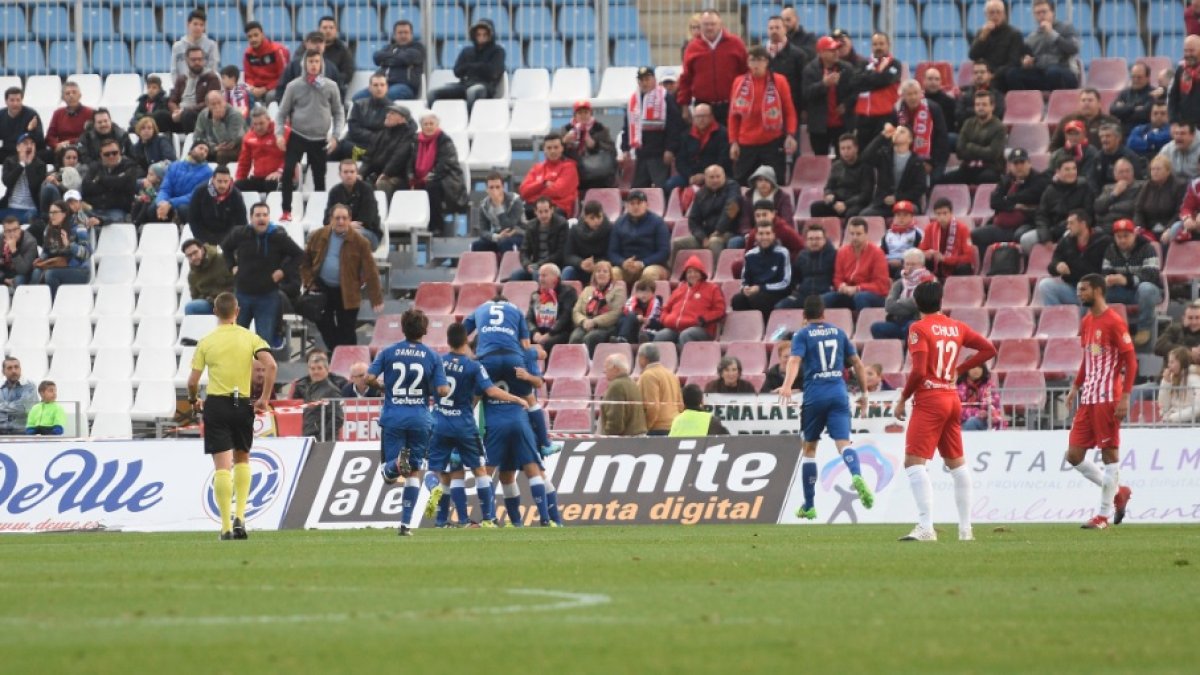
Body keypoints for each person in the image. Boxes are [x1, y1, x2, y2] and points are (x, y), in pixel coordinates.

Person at [893, 281, 997, 541]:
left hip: (930, 399)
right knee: (957, 464)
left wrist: (903, 397)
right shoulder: (956, 326)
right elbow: (989, 349)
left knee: (914, 463)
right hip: (951, 398)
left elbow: (919, 370)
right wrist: (959, 370)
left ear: (916, 303)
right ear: (941, 301)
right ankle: (965, 530)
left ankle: (926, 527)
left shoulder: (918, 328)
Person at [187, 292, 277, 540]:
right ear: (237, 311)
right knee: (243, 459)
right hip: (241, 402)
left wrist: (193, 400)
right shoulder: (250, 337)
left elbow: (192, 382)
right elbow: (271, 365)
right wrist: (264, 398)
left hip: (217, 404)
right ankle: (241, 518)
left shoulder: (206, 342)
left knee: (222, 467)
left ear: (215, 312)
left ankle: (225, 527)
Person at [776, 294, 874, 520]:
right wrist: (864, 394)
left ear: (804, 315)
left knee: (809, 449)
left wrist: (787, 385)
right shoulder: (838, 332)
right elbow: (858, 364)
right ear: (823, 313)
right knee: (844, 443)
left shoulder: (802, 334)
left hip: (815, 396)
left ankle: (809, 505)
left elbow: (794, 360)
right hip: (839, 394)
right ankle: (856, 474)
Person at [429, 322, 528, 528]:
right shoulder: (473, 366)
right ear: (465, 341)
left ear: (448, 341)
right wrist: (517, 399)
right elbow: (491, 391)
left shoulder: (438, 362)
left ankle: (442, 521)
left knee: (445, 473)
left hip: (440, 423)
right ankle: (489, 518)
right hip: (464, 425)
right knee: (479, 470)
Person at [364, 309, 449, 536]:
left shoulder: (388, 352)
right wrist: (429, 389)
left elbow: (368, 378)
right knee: (414, 471)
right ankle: (405, 525)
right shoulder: (432, 356)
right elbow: (442, 390)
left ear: (402, 328)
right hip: (420, 419)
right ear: (425, 330)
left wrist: (383, 387)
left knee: (389, 475)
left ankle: (395, 464)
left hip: (394, 417)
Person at [1063, 274, 1137, 529]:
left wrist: (1125, 395)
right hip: (1088, 397)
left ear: (1097, 290)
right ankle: (1119, 492)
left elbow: (1131, 361)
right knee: (1073, 455)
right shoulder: (1087, 321)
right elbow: (1088, 358)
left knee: (1109, 454)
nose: (1079, 293)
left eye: (1083, 289)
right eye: (1078, 289)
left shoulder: (1114, 322)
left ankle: (1103, 516)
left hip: (1108, 397)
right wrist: (1075, 387)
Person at [301, 204, 384, 351]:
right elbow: (305, 261)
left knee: (347, 330)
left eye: (344, 218)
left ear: (350, 220)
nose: (341, 221)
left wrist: (376, 298)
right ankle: (337, 352)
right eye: (337, 218)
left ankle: (347, 358)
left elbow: (371, 270)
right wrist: (308, 281)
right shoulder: (317, 236)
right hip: (322, 287)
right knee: (322, 321)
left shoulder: (360, 242)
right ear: (330, 219)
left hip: (348, 290)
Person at [276, 49, 344, 221]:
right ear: (304, 64)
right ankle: (286, 211)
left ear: (321, 64)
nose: (314, 65)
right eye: (310, 61)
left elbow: (338, 112)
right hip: (297, 135)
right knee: (288, 171)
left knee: (319, 177)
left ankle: (320, 214)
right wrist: (279, 135)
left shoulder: (331, 86)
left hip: (320, 138)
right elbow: (281, 113)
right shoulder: (293, 86)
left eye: (316, 61)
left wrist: (336, 136)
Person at [222, 202, 303, 345]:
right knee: (236, 340)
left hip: (267, 297)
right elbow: (226, 248)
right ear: (251, 218)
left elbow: (299, 255)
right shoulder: (240, 233)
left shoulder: (278, 236)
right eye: (258, 215)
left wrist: (283, 271)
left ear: (269, 217)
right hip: (242, 295)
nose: (261, 218)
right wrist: (232, 266)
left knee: (263, 343)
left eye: (265, 215)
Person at [728, 46, 798, 185]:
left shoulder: (779, 81)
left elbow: (789, 111)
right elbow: (733, 116)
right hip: (746, 142)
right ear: (747, 63)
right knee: (742, 183)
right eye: (752, 60)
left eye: (760, 60)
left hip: (772, 141)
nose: (756, 64)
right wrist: (733, 141)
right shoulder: (738, 83)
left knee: (776, 182)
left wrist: (790, 134)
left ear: (766, 62)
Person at [677, 9, 749, 123]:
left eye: (713, 24)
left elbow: (746, 73)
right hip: (703, 107)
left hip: (731, 105)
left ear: (720, 24)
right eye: (706, 24)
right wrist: (684, 105)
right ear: (700, 25)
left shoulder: (736, 43)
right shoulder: (692, 47)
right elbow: (686, 78)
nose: (709, 28)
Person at [971, 149, 1050, 251]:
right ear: (1010, 166)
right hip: (1004, 224)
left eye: (1022, 162)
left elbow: (1027, 196)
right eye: (1015, 163)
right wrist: (1015, 206)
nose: (1019, 166)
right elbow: (994, 202)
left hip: (1028, 223)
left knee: (1019, 235)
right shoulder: (1006, 179)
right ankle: (987, 260)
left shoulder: (1039, 180)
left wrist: (1007, 199)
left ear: (1029, 163)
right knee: (976, 234)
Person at [1103, 219, 1163, 347]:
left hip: (1149, 292)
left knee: (1146, 288)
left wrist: (1126, 280)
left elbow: (1152, 275)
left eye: (1126, 236)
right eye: (1119, 237)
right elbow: (1106, 271)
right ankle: (1107, 330)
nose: (1122, 240)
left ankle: (1144, 329)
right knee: (1097, 291)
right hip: (1123, 292)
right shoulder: (1110, 250)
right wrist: (1109, 279)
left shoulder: (1147, 248)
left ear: (1134, 234)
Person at [622, 67, 683, 189]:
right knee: (638, 189)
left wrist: (670, 148)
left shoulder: (665, 97)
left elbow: (674, 125)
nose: (644, 83)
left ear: (654, 80)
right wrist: (625, 148)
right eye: (641, 80)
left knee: (661, 189)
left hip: (659, 153)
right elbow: (628, 125)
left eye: (647, 79)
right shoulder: (634, 100)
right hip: (641, 153)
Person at [427, 19, 505, 112]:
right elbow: (457, 71)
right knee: (433, 93)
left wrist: (471, 67)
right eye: (478, 34)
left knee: (472, 92)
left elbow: (493, 72)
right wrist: (479, 67)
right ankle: (433, 118)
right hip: (464, 84)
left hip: (485, 86)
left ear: (490, 35)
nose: (481, 37)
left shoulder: (498, 51)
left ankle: (469, 119)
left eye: (485, 34)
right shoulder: (467, 51)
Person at [408, 112, 467, 235]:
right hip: (421, 178)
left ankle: (436, 227)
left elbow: (446, 164)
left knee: (431, 186)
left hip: (447, 179)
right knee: (404, 185)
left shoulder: (444, 140)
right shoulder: (415, 140)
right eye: (426, 124)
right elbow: (409, 161)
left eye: (431, 124)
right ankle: (409, 228)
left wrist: (431, 175)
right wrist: (410, 176)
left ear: (437, 125)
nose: (429, 127)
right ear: (421, 126)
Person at [1036, 209, 1110, 307]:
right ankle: (1057, 315)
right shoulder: (1065, 241)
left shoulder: (1103, 241)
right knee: (1045, 285)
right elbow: (1052, 265)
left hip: (1094, 291)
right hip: (1072, 289)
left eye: (1071, 223)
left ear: (1083, 224)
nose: (1068, 227)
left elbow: (1107, 270)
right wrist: (1057, 266)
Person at [1004, 0, 1081, 91]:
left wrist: (1052, 34)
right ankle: (1029, 99)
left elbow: (1074, 48)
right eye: (1037, 13)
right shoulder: (1032, 37)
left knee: (1053, 72)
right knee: (1012, 74)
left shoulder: (1066, 28)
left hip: (1064, 72)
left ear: (1052, 12)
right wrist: (1026, 62)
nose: (1041, 15)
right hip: (1043, 75)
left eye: (1044, 12)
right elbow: (1028, 58)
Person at [654, 255, 726, 347]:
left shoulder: (712, 289)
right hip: (675, 328)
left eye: (696, 271)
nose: (692, 275)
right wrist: (665, 319)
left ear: (701, 273)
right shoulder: (678, 290)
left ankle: (686, 357)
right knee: (661, 336)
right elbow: (666, 309)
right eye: (689, 272)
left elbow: (720, 310)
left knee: (686, 334)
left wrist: (704, 318)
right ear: (685, 275)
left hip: (701, 329)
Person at [676, 164, 741, 262]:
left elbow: (732, 208)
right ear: (705, 179)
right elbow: (693, 220)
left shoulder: (733, 187)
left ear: (724, 176)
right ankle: (670, 270)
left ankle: (716, 270)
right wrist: (702, 237)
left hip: (728, 232)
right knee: (677, 243)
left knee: (714, 242)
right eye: (711, 177)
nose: (715, 180)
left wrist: (718, 231)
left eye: (718, 176)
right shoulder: (701, 194)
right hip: (706, 235)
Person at [1027, 156, 1093, 252]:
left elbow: (1087, 213)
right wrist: (1045, 237)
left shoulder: (1084, 187)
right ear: (1058, 172)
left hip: (1075, 228)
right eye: (1067, 169)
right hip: (1052, 230)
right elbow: (1041, 216)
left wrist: (1064, 227)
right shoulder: (1050, 190)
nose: (1072, 172)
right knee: (1026, 240)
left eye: (1074, 169)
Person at [941, 90, 1006, 186]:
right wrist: (983, 150)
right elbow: (960, 151)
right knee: (941, 179)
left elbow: (993, 154)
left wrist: (971, 146)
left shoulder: (999, 127)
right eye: (977, 105)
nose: (980, 107)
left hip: (990, 168)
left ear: (992, 106)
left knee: (986, 178)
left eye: (984, 104)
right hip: (968, 168)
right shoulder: (968, 123)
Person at [860, 124, 927, 217]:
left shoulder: (917, 162)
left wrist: (897, 198)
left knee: (903, 213)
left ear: (910, 139)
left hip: (908, 203)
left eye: (902, 132)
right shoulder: (884, 155)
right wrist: (882, 136)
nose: (897, 133)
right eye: (896, 131)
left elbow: (920, 187)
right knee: (864, 215)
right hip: (883, 204)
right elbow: (865, 157)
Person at [824, 217, 889, 311]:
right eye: (852, 234)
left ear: (866, 234)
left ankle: (866, 321)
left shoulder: (877, 253)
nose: (854, 237)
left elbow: (881, 285)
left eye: (858, 234)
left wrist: (858, 288)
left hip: (873, 295)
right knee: (826, 299)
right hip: (849, 293)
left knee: (860, 297)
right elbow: (837, 278)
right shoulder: (842, 252)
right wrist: (841, 286)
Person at [732, 217, 791, 318]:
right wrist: (745, 289)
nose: (764, 237)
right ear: (756, 236)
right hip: (755, 293)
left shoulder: (783, 253)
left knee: (757, 299)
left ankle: (765, 325)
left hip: (776, 293)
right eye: (761, 234)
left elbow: (785, 283)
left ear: (773, 235)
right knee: (737, 300)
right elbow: (745, 281)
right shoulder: (750, 255)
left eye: (768, 233)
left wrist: (761, 288)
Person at [890, 79, 950, 178]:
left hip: (933, 158)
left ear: (921, 93)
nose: (913, 97)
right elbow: (892, 139)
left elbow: (941, 139)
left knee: (935, 178)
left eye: (916, 93)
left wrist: (931, 163)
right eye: (909, 94)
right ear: (903, 96)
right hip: (904, 158)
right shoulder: (896, 111)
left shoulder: (933, 108)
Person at [30, 199, 91, 297]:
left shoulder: (79, 228)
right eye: (50, 212)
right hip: (58, 265)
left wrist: (70, 245)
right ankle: (36, 302)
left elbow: (87, 254)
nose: (51, 215)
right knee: (36, 272)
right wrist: (41, 259)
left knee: (51, 274)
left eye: (55, 212)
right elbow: (46, 251)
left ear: (64, 214)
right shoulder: (48, 229)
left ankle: (53, 303)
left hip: (79, 269)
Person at [872, 249, 936, 340]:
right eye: (907, 264)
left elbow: (919, 304)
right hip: (898, 321)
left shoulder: (930, 281)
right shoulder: (899, 283)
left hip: (918, 321)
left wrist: (899, 302)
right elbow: (889, 305)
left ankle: (909, 348)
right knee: (876, 328)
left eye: (913, 264)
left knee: (911, 326)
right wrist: (909, 306)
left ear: (922, 265)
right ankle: (893, 348)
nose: (909, 267)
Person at [608, 188, 670, 283]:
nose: (635, 207)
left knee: (649, 273)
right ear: (627, 206)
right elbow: (612, 252)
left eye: (639, 203)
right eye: (632, 203)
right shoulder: (619, 223)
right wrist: (623, 262)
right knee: (612, 273)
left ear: (647, 205)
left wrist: (643, 263)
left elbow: (664, 252)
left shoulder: (658, 222)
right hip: (626, 266)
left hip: (653, 265)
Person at [668, 103, 732, 194]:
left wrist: (705, 175)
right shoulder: (685, 135)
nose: (701, 119)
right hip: (691, 175)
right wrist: (690, 176)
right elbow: (680, 161)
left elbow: (724, 159)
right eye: (698, 117)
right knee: (670, 185)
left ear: (711, 117)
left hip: (715, 175)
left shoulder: (723, 133)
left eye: (704, 116)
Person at [852, 33, 903, 144]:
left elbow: (884, 80)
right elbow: (855, 83)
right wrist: (877, 77)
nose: (878, 47)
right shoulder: (863, 63)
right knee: (863, 151)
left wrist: (867, 78)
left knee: (883, 151)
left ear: (888, 45)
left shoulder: (894, 64)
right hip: (863, 118)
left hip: (885, 117)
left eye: (881, 44)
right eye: (875, 44)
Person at [158, 48, 222, 134]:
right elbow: (172, 100)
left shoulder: (211, 78)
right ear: (187, 60)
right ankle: (166, 140)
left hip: (199, 116)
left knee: (188, 114)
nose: (197, 62)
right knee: (160, 115)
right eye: (193, 60)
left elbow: (210, 103)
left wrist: (184, 111)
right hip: (181, 115)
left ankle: (194, 140)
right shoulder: (182, 78)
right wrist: (175, 111)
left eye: (200, 59)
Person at [776, 222, 837, 310]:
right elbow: (795, 276)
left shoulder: (834, 255)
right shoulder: (802, 255)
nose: (814, 242)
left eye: (818, 239)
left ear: (824, 240)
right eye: (811, 239)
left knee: (816, 306)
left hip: (825, 294)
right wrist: (797, 286)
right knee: (780, 307)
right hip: (804, 294)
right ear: (806, 241)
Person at [811, 133, 873, 218]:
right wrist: (829, 195)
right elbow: (828, 187)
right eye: (842, 148)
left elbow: (865, 195)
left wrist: (846, 204)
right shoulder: (836, 165)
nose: (845, 151)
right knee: (815, 208)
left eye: (848, 148)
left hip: (855, 204)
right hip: (837, 203)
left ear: (856, 148)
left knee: (851, 214)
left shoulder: (866, 167)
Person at [563, 100, 618, 194]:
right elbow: (558, 151)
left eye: (586, 112)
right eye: (580, 113)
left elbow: (612, 150)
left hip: (598, 173)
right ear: (575, 115)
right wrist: (564, 142)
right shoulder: (567, 130)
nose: (583, 115)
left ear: (590, 114)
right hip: (575, 172)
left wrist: (595, 145)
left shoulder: (600, 128)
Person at [324, 160, 382, 250]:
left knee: (351, 235)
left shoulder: (367, 190)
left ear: (357, 173)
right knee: (314, 235)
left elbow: (367, 219)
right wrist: (347, 225)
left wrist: (342, 225)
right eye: (345, 172)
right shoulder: (334, 192)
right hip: (339, 232)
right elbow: (327, 219)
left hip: (368, 233)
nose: (349, 175)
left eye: (352, 172)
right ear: (340, 174)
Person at [519, 133, 579, 218]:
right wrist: (543, 183)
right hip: (534, 207)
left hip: (558, 208)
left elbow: (558, 191)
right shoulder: (537, 168)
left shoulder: (569, 167)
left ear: (562, 148)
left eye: (556, 147)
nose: (552, 151)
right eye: (549, 148)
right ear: (544, 149)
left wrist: (534, 194)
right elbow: (523, 191)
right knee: (519, 212)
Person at [570, 260, 624, 353]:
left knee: (591, 338)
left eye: (605, 271)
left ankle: (591, 361)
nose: (601, 274)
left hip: (605, 326)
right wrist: (583, 321)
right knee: (575, 338)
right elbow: (576, 311)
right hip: (585, 323)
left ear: (610, 275)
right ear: (594, 275)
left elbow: (616, 313)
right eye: (598, 271)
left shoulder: (618, 290)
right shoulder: (587, 290)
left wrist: (594, 322)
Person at [363, 104, 417, 198]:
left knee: (383, 184)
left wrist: (385, 173)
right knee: (356, 182)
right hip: (379, 174)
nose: (387, 115)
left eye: (392, 113)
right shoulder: (381, 134)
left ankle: (384, 207)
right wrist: (361, 173)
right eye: (388, 112)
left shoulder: (409, 135)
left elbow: (398, 157)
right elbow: (368, 157)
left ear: (402, 119)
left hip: (399, 177)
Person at [273, 33, 343, 104]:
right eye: (314, 42)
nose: (318, 45)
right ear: (306, 44)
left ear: (324, 45)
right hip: (298, 107)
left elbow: (339, 91)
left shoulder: (331, 67)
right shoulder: (294, 65)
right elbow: (282, 88)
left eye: (321, 42)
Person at [80, 138, 138, 223]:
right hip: (93, 208)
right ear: (101, 155)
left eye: (114, 153)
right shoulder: (95, 167)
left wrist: (100, 179)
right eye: (107, 154)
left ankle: (100, 221)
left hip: (117, 210)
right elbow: (86, 188)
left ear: (120, 152)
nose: (111, 156)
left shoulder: (129, 166)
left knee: (113, 221)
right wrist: (115, 183)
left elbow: (128, 186)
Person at [734, 166, 794, 247]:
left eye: (767, 180)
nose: (763, 183)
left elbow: (787, 220)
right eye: (760, 180)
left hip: (776, 233)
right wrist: (749, 234)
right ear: (755, 182)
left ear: (772, 182)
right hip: (752, 233)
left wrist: (771, 234)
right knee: (735, 242)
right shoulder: (748, 197)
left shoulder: (783, 197)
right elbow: (744, 221)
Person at [968, 0, 1025, 86]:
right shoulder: (982, 32)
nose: (995, 15)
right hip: (984, 75)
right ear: (985, 15)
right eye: (991, 12)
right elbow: (972, 55)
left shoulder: (1014, 34)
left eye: (998, 12)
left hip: (1003, 77)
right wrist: (982, 37)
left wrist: (993, 75)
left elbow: (1014, 62)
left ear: (1004, 14)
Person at [155, 141, 214, 223]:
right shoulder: (174, 166)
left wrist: (171, 203)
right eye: (201, 148)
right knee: (154, 208)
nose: (203, 152)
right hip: (169, 202)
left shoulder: (208, 173)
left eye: (206, 151)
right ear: (191, 150)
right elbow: (165, 188)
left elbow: (195, 195)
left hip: (190, 203)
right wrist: (161, 202)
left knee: (182, 208)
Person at [366, 20, 424, 101]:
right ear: (394, 35)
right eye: (400, 33)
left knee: (386, 95)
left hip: (405, 86)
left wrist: (387, 59)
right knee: (357, 98)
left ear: (411, 34)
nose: (403, 35)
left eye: (406, 32)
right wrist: (396, 58)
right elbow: (377, 57)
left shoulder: (417, 47)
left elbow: (405, 58)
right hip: (383, 85)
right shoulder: (389, 47)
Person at [188, 166, 246, 247]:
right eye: (219, 181)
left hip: (228, 238)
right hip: (204, 238)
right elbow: (194, 220)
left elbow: (241, 222)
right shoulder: (200, 192)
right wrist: (204, 240)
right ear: (213, 180)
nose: (223, 185)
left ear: (230, 180)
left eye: (226, 181)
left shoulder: (236, 195)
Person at [513, 197, 568, 281]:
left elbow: (560, 253)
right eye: (540, 212)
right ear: (535, 212)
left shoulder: (562, 224)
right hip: (536, 265)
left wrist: (538, 265)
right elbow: (524, 251)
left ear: (552, 210)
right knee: (515, 276)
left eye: (546, 211)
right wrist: (527, 264)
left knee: (538, 274)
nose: (543, 215)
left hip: (555, 265)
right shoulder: (531, 225)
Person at [527, 263, 578, 353]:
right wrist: (535, 332)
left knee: (548, 343)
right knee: (520, 339)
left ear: (555, 278)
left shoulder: (568, 292)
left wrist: (550, 334)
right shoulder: (535, 295)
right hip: (539, 332)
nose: (540, 279)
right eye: (540, 276)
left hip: (560, 332)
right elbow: (529, 318)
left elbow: (565, 317)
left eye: (544, 276)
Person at [234, 107, 286, 194]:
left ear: (269, 120)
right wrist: (239, 179)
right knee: (237, 185)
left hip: (280, 177)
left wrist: (280, 172)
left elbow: (291, 156)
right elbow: (244, 162)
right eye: (255, 124)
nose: (258, 127)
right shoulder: (248, 137)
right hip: (258, 178)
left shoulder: (281, 132)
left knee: (271, 183)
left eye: (261, 123)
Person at [339, 73, 391, 160]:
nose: (379, 88)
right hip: (358, 143)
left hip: (378, 147)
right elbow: (354, 129)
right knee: (338, 148)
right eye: (375, 85)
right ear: (370, 88)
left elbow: (388, 134)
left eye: (382, 85)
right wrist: (373, 136)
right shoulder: (359, 105)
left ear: (387, 87)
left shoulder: (393, 109)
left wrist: (372, 136)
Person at [920, 198, 976, 278]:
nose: (942, 217)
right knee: (921, 262)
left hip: (955, 266)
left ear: (951, 213)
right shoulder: (930, 228)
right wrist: (927, 253)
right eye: (938, 214)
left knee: (964, 267)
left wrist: (945, 259)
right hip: (937, 265)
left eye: (945, 213)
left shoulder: (962, 229)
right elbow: (921, 251)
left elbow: (968, 257)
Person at [1051, 90, 1120, 152]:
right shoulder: (1067, 120)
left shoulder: (1111, 121)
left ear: (1099, 103)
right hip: (1073, 160)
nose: (1086, 103)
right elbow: (1054, 147)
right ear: (1078, 103)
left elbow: (1120, 146)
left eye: (1090, 100)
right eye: (1083, 100)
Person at [473, 173, 525, 254]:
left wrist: (498, 206)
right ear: (487, 189)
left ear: (503, 188)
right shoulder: (484, 205)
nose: (495, 191)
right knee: (477, 245)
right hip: (499, 235)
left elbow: (509, 227)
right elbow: (483, 231)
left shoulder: (515, 200)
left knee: (505, 244)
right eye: (491, 187)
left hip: (518, 234)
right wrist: (496, 236)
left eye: (497, 187)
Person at [637, 342, 683, 436]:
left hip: (657, 428)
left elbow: (653, 406)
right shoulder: (671, 375)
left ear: (643, 358)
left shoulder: (648, 375)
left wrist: (645, 428)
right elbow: (680, 405)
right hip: (674, 426)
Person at [562, 199, 612, 284]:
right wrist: (581, 263)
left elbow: (611, 254)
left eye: (599, 217)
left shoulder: (610, 229)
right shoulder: (575, 230)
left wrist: (596, 264)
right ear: (585, 218)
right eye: (592, 218)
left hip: (602, 268)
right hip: (581, 268)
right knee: (568, 271)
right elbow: (568, 256)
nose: (596, 221)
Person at [765, 14, 807, 116]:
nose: (774, 31)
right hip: (766, 108)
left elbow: (803, 83)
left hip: (791, 108)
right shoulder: (761, 54)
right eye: (771, 28)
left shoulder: (798, 55)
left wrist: (803, 108)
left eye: (777, 27)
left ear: (785, 29)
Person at [1135, 155, 1187, 237]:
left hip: (1170, 228)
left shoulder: (1179, 186)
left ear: (1168, 171)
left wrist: (1169, 229)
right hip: (1149, 228)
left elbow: (1179, 212)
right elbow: (1138, 210)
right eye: (1152, 169)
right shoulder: (1146, 186)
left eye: (1158, 169)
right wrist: (1139, 227)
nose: (1155, 172)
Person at [0, 134, 46, 224]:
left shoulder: (40, 165)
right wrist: (21, 164)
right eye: (25, 143)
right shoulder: (9, 161)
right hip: (11, 207)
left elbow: (34, 185)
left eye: (32, 143)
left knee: (30, 218)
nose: (29, 146)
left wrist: (29, 164)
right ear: (18, 147)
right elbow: (7, 182)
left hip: (30, 208)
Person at [182, 238, 234, 315]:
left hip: (231, 300)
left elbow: (240, 280)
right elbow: (195, 297)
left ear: (202, 250)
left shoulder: (223, 259)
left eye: (195, 252)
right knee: (191, 307)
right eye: (189, 256)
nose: (193, 257)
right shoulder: (192, 276)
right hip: (211, 304)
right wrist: (209, 299)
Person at [243, 21, 290, 104]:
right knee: (243, 95)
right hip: (257, 89)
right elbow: (248, 77)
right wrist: (252, 88)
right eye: (250, 37)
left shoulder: (277, 50)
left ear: (262, 34)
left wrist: (265, 89)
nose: (253, 39)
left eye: (256, 35)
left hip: (275, 88)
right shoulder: (248, 54)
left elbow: (284, 77)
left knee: (271, 96)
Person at [45, 82, 94, 160]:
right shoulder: (58, 113)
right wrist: (56, 145)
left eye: (74, 92)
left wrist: (69, 143)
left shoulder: (90, 113)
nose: (71, 95)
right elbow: (50, 136)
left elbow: (90, 135)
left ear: (80, 95)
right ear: (63, 97)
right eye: (67, 93)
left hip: (81, 148)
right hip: (61, 150)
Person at [601, 354, 648, 436]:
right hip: (638, 437)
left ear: (615, 369)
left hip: (623, 440)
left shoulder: (616, 386)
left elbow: (615, 422)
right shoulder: (633, 383)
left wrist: (607, 436)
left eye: (606, 368)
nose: (604, 371)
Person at [193, 91, 244, 165]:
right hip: (212, 148)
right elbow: (197, 139)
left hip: (236, 148)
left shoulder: (235, 115)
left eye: (219, 103)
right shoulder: (203, 115)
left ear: (224, 101)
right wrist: (214, 148)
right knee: (195, 152)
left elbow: (228, 142)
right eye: (213, 104)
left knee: (221, 154)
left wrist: (217, 122)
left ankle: (221, 171)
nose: (217, 107)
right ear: (208, 105)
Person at [1094, 158, 1144, 232]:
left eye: (1127, 171)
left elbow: (1133, 207)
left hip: (1126, 227)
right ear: (1115, 175)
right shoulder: (1107, 188)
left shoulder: (1141, 187)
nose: (1125, 175)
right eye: (1121, 172)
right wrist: (1114, 194)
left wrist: (1111, 207)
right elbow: (1098, 208)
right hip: (1106, 226)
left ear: (1133, 172)